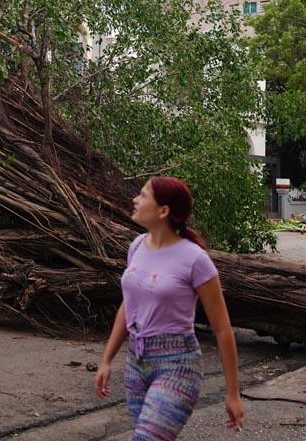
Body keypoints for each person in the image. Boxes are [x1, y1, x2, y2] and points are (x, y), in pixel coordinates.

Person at [94, 177, 245, 439]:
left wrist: (232, 393)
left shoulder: (195, 259)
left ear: (163, 211)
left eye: (142, 196)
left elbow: (222, 329)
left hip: (178, 366)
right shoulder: (137, 246)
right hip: (136, 364)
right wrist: (106, 360)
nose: (135, 200)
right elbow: (129, 306)